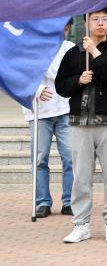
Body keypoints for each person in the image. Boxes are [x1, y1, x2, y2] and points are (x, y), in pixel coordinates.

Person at [55, 7, 107, 244]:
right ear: (86, 22)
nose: (100, 23)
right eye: (95, 19)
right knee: (81, 177)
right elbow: (61, 86)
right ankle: (81, 224)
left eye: (104, 19)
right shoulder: (73, 53)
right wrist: (78, 80)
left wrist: (95, 52)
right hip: (80, 121)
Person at [23, 19, 76, 218]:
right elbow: (20, 75)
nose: (62, 32)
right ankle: (42, 202)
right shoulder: (30, 47)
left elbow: (66, 74)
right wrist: (35, 88)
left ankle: (69, 201)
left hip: (65, 109)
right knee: (39, 159)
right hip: (39, 111)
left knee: (70, 158)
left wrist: (44, 68)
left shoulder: (70, 48)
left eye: (66, 28)